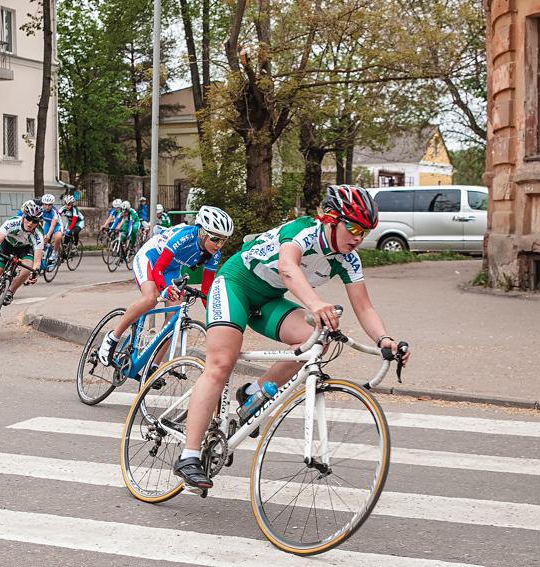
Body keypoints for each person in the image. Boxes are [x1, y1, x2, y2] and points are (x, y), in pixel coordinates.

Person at [173, 185, 412, 490]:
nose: (358, 237)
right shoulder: (304, 232)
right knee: (221, 363)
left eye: (364, 231)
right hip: (235, 283)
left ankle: (254, 393)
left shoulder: (348, 260)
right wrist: (315, 304)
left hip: (268, 298)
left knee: (318, 341)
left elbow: (364, 307)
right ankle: (189, 455)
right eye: (352, 227)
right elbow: (287, 267)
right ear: (330, 220)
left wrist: (384, 340)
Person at [97, 206, 234, 366]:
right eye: (215, 239)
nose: (219, 245)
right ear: (203, 232)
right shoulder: (185, 237)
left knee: (175, 314)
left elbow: (206, 291)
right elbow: (159, 268)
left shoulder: (214, 254)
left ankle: (153, 365)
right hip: (151, 258)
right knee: (151, 298)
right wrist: (165, 288)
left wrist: (217, 319)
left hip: (172, 269)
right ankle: (113, 338)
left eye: (223, 240)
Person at [40, 193, 64, 263]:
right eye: (45, 204)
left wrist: (48, 235)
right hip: (47, 224)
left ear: (52, 204)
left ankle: (54, 253)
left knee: (58, 237)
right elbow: (39, 221)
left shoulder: (54, 212)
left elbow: (53, 226)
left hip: (57, 225)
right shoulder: (41, 210)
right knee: (43, 241)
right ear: (43, 204)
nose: (47, 207)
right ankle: (43, 254)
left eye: (49, 205)